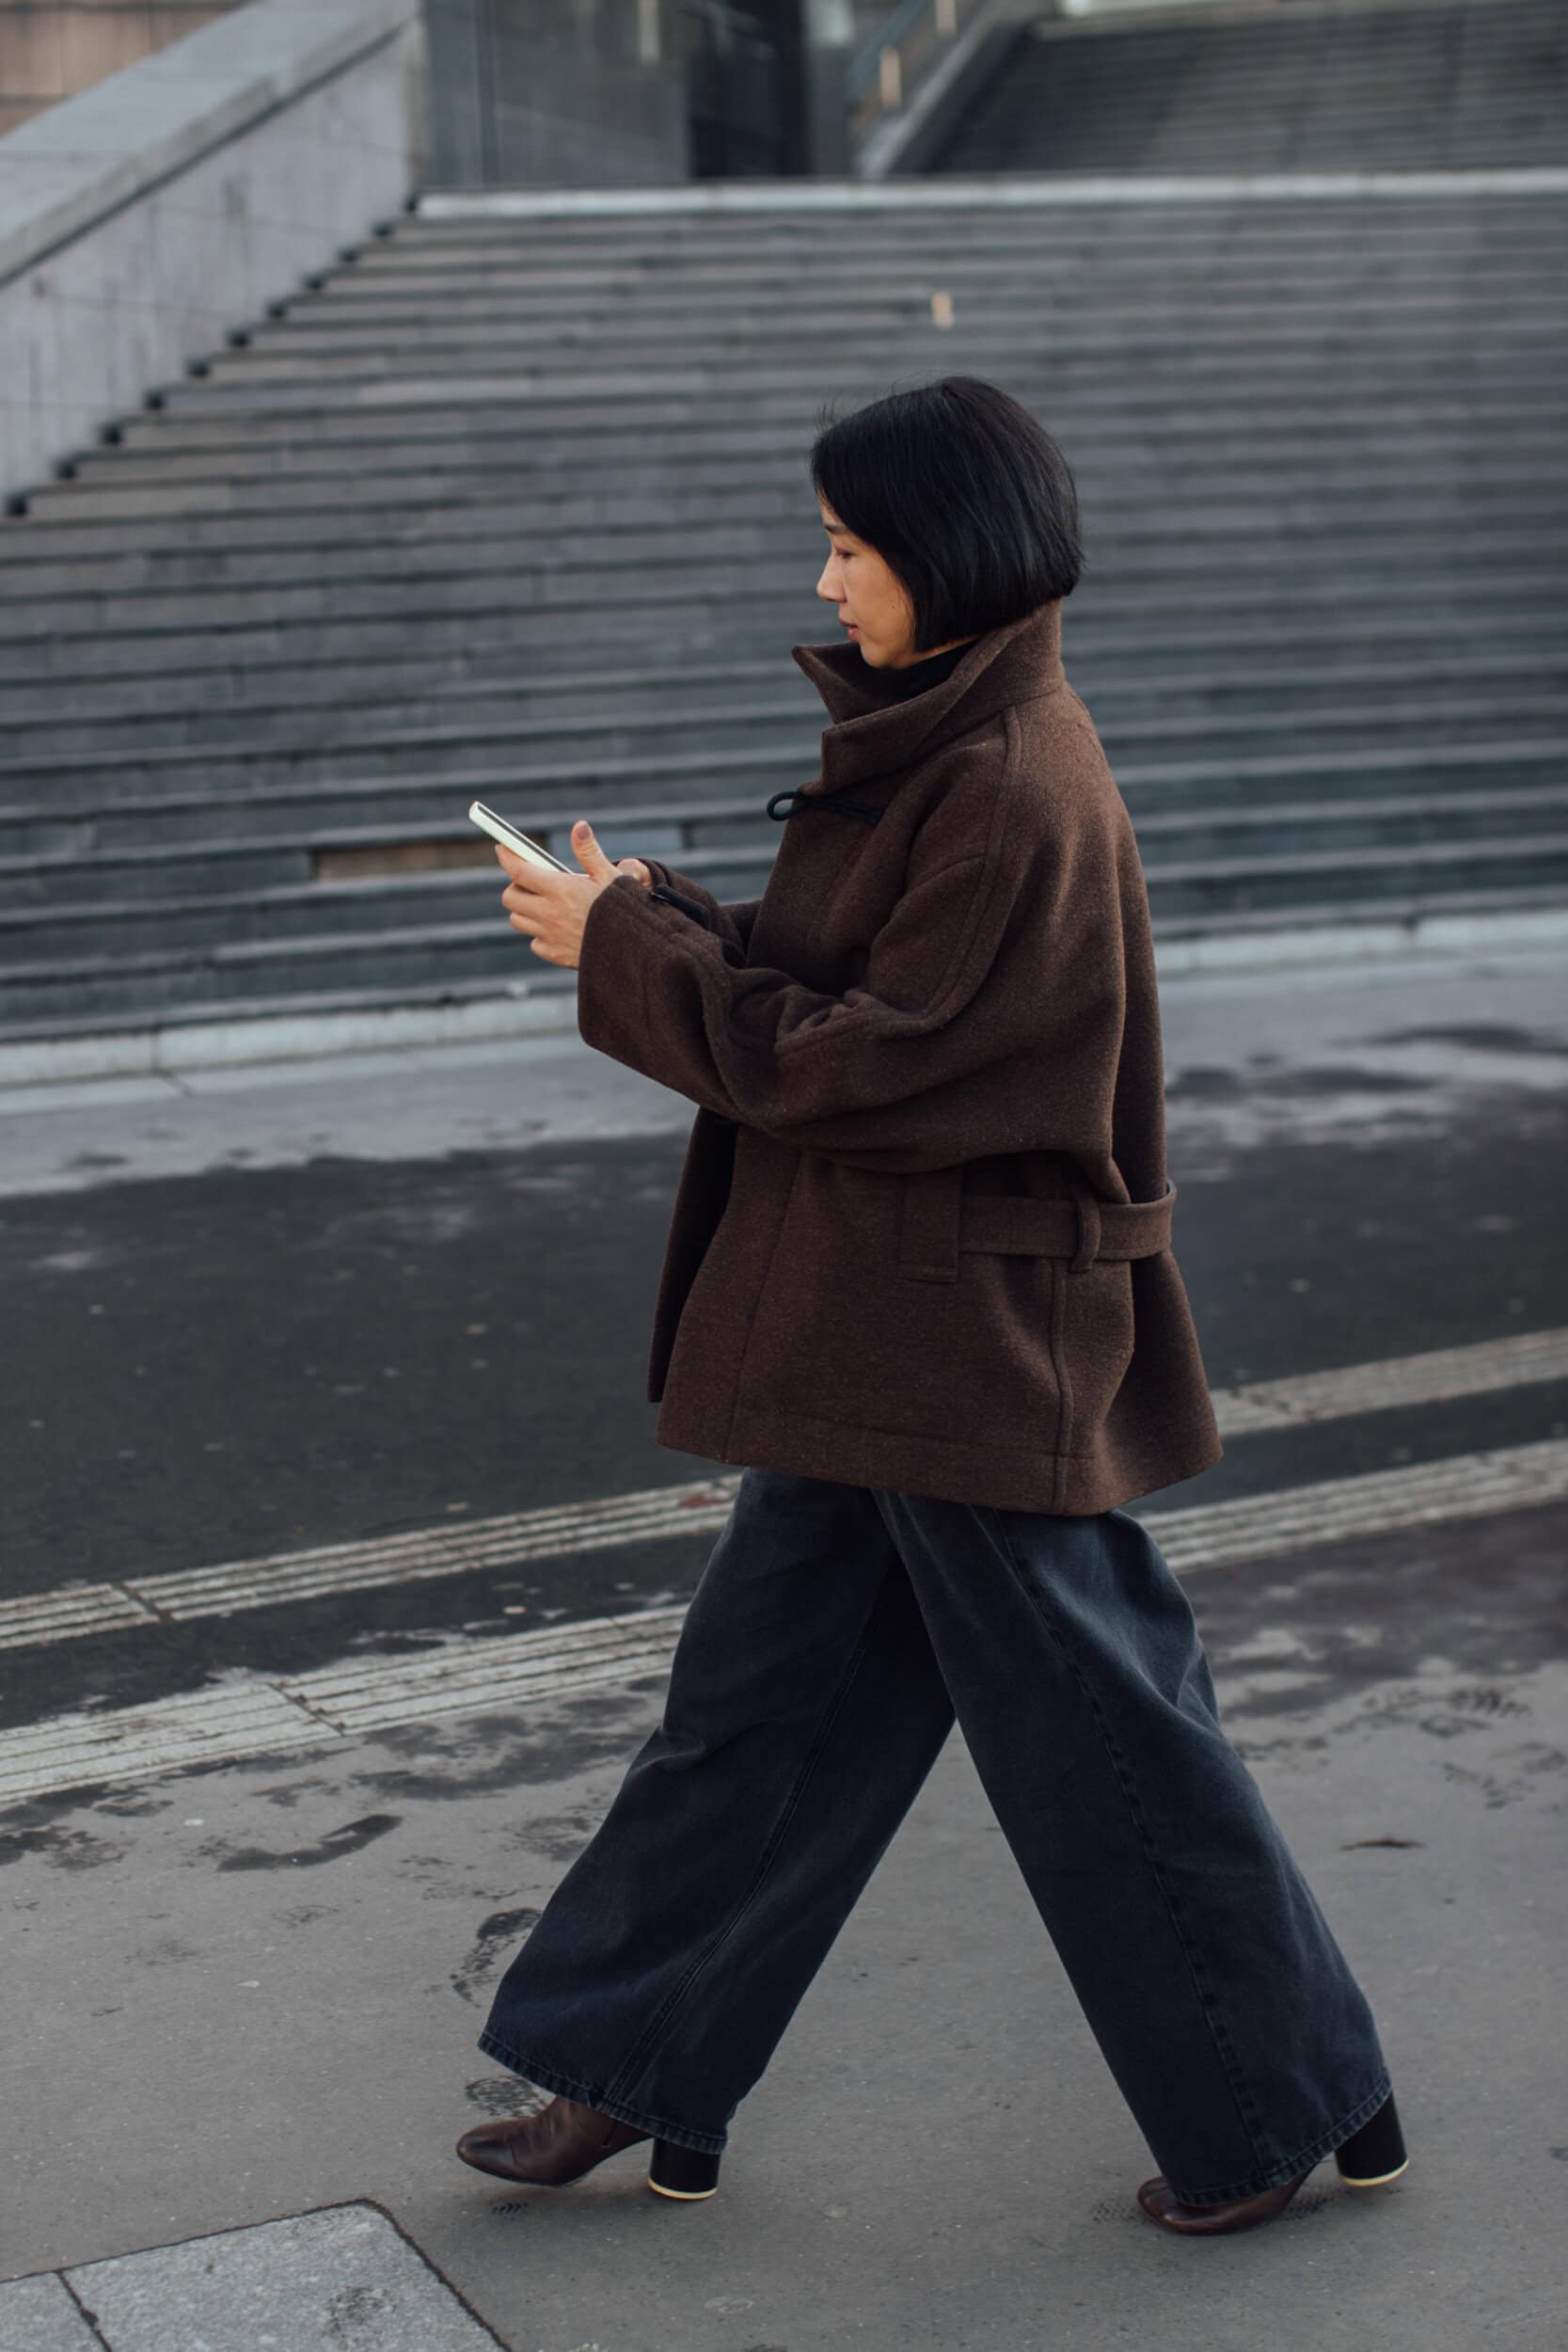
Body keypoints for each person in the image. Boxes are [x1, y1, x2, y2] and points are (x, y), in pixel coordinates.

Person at [453, 376, 1408, 2233]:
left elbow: (876, 1067)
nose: (826, 581)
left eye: (849, 547)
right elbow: (859, 985)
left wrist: (628, 957)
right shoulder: (950, 743)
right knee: (755, 1717)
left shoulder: (1006, 775)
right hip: (885, 1331)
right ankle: (633, 2070)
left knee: (1105, 1740)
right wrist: (662, 916)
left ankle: (1286, 2099)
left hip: (963, 1345)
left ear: (946, 554)